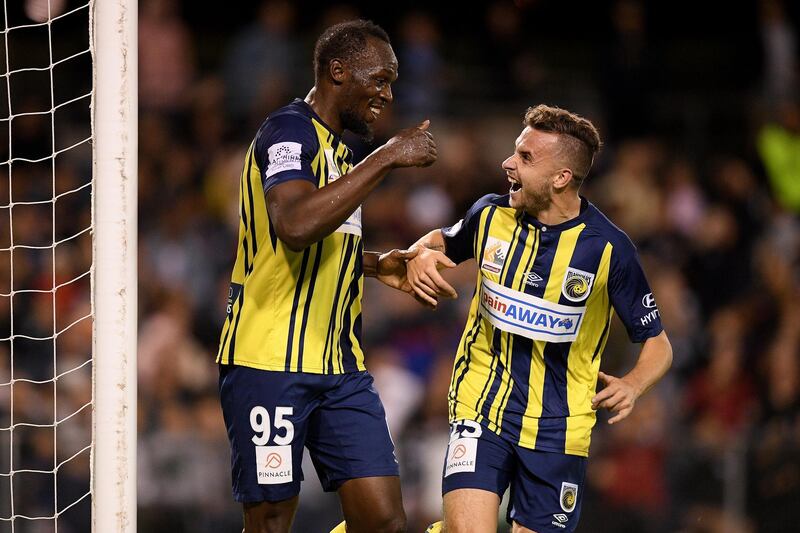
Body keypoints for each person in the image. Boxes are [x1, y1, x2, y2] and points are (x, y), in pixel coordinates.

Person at [405, 104, 672, 533]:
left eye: (526, 158)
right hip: (481, 407)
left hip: (559, 432)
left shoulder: (609, 249)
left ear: (561, 177)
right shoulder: (489, 214)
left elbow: (658, 343)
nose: (507, 163)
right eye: (515, 151)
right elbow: (439, 241)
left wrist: (633, 384)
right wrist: (419, 254)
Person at [216, 19, 437, 533]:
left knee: (383, 521)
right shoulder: (287, 131)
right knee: (271, 522)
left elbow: (317, 242)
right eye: (379, 79)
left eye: (392, 83)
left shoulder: (341, 153)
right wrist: (386, 158)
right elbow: (292, 226)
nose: (387, 94)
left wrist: (378, 265)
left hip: (340, 368)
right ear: (338, 71)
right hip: (268, 361)